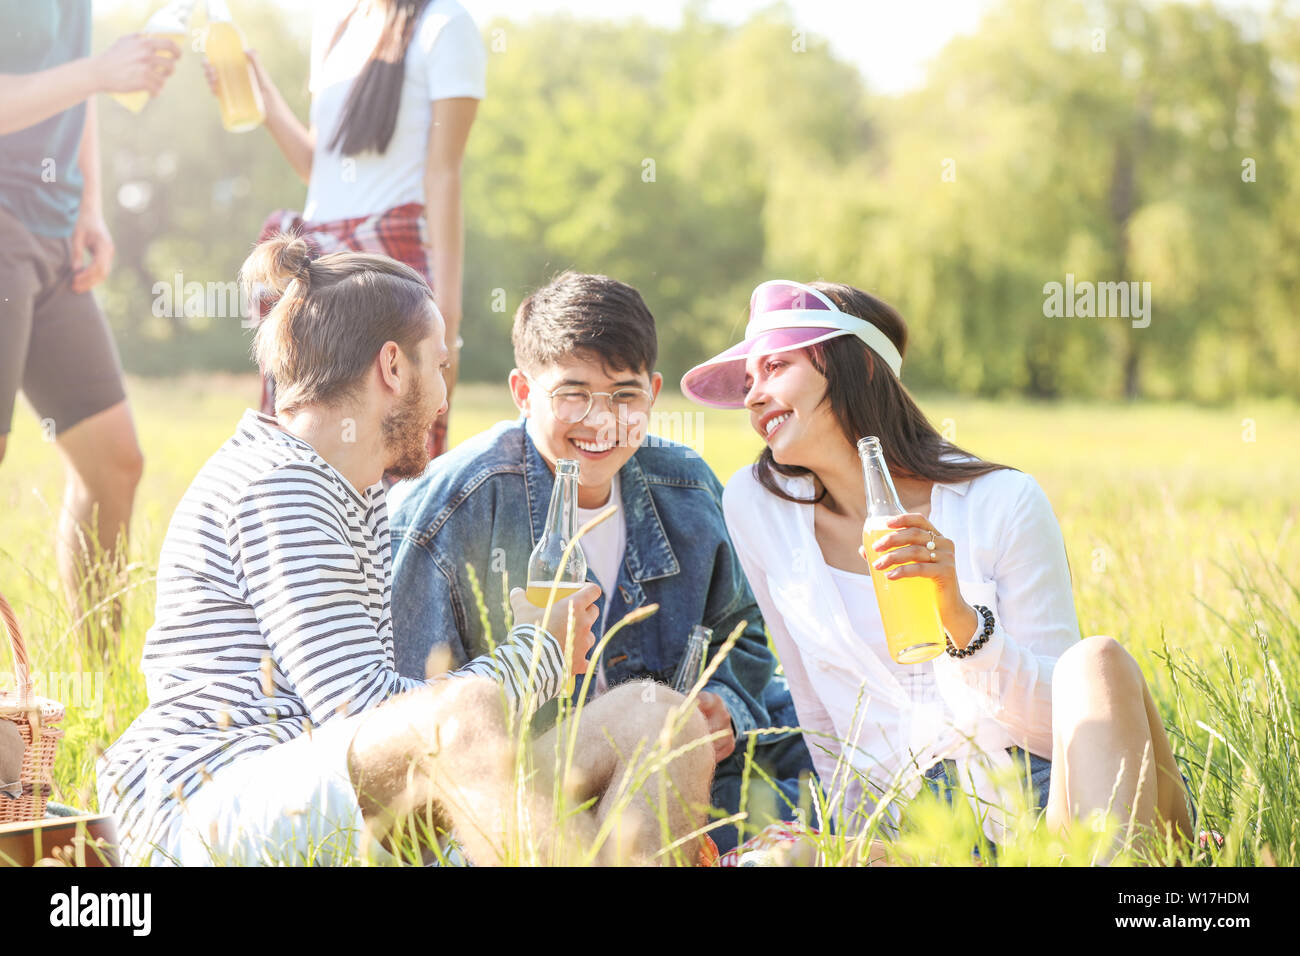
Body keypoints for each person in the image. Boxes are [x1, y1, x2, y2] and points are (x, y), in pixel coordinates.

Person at [96, 238, 714, 866]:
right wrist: (541, 652)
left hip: (331, 803)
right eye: (439, 367)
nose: (446, 401)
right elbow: (368, 713)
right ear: (393, 367)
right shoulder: (278, 483)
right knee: (463, 711)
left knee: (660, 718)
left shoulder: (352, 491)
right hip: (207, 808)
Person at [681, 279, 1195, 861]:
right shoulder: (758, 505)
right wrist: (856, 840)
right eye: (748, 381)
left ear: (862, 368)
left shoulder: (1002, 501)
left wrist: (962, 624)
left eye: (776, 366)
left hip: (1048, 802)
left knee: (1095, 662)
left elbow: (1064, 725)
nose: (753, 396)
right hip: (917, 833)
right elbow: (817, 708)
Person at [388, 270, 816, 854]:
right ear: (522, 391)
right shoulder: (452, 507)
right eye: (572, 393)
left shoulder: (686, 488)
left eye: (624, 395)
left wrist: (725, 710)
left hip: (673, 776)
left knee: (836, 748)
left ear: (653, 393)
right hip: (519, 791)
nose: (600, 419)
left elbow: (742, 635)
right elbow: (411, 713)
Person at [205, 0, 483, 459]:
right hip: (324, 263)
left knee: (390, 440)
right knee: (306, 431)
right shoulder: (336, 23)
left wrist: (447, 314)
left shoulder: (445, 25)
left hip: (392, 260)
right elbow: (319, 165)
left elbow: (444, 173)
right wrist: (261, 96)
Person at [0, 5, 181, 632]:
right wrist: (100, 70)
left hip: (54, 231)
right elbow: (83, 78)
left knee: (113, 463)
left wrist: (91, 207)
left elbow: (81, 96)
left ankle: (96, 691)